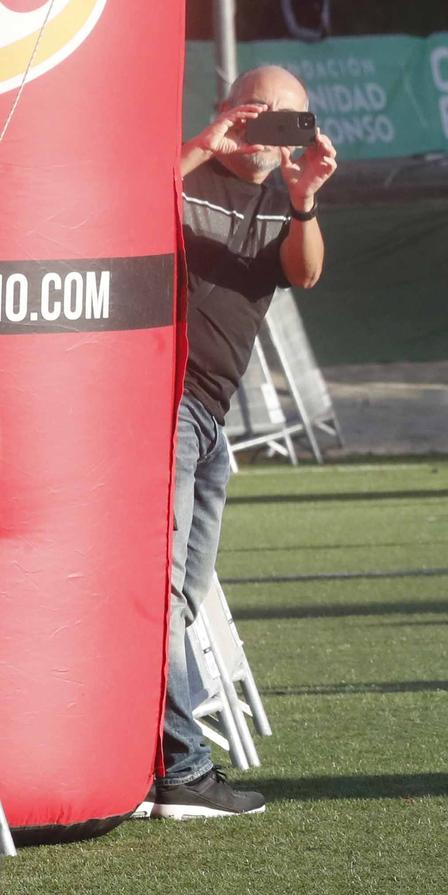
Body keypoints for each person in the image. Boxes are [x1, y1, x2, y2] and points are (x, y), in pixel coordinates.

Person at [149, 66, 338, 819]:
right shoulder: (187, 169)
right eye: (257, 116)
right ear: (230, 109)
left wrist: (306, 201)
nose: (266, 135)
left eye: (287, 122)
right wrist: (202, 145)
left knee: (185, 595)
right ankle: (181, 769)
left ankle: (152, 755)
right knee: (165, 592)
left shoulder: (280, 202)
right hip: (164, 404)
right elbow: (122, 210)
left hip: (208, 417)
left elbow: (308, 272)